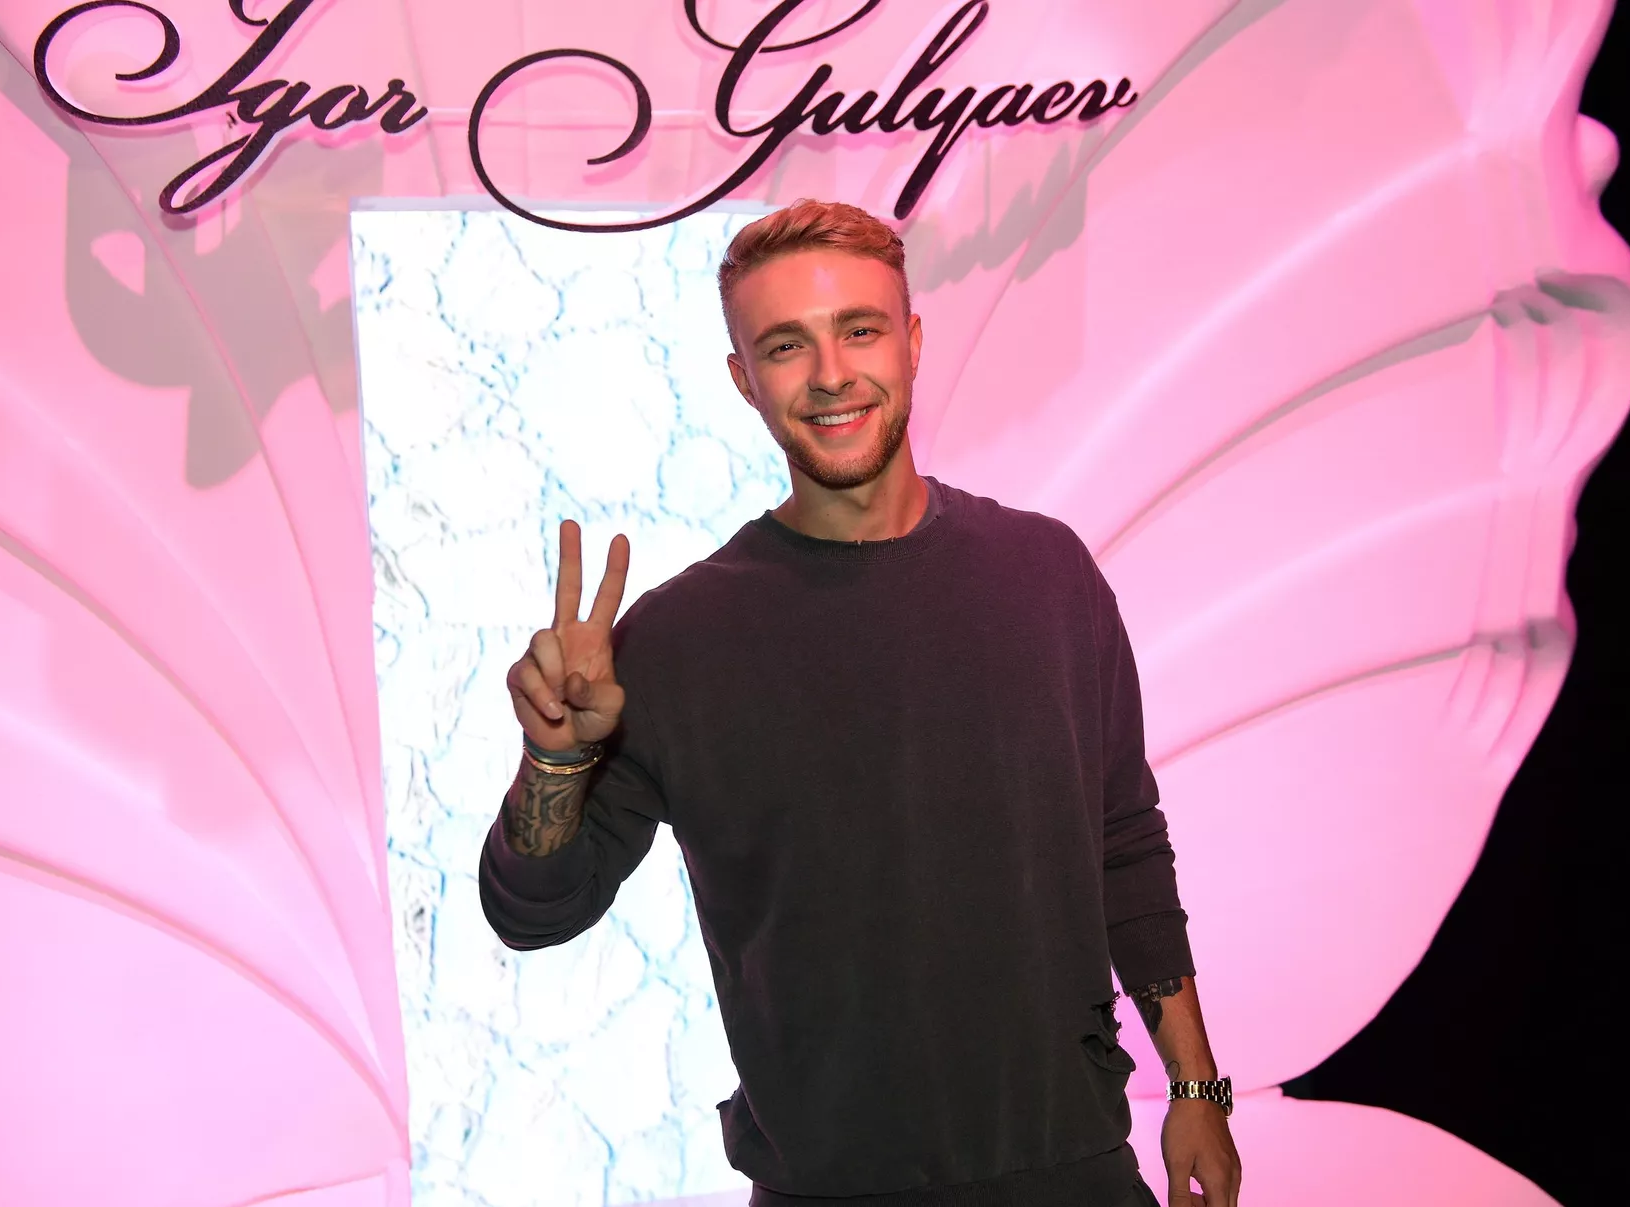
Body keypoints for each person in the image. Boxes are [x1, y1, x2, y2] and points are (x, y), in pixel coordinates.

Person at [478, 199, 1242, 1207]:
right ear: (743, 379)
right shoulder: (675, 640)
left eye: (860, 329)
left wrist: (1195, 1085)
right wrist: (555, 759)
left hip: (1076, 1172)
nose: (832, 373)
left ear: (912, 343)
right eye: (787, 345)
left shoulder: (1047, 576)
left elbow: (1125, 843)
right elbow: (533, 912)